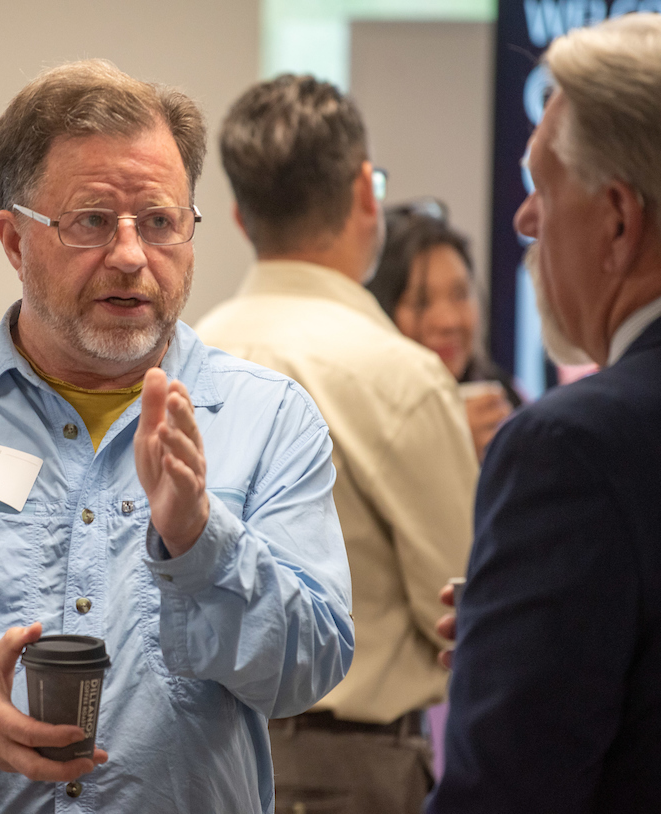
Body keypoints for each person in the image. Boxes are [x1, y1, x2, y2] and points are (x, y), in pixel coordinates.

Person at [0, 59, 354, 814]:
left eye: (159, 223)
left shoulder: (268, 419)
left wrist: (199, 542)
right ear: (13, 240)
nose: (131, 254)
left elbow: (310, 668)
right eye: (92, 221)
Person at [195, 75, 477, 814]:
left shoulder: (181, 361)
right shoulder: (399, 378)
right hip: (346, 772)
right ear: (364, 193)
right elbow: (460, 601)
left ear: (237, 213)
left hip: (193, 756)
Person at [427, 14, 661, 813]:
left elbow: (504, 792)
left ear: (621, 221)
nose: (524, 221)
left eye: (541, 187)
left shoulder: (569, 448)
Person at [366, 202, 520, 459]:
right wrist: (446, 445)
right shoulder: (362, 421)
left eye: (460, 295)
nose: (448, 322)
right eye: (421, 302)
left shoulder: (504, 395)